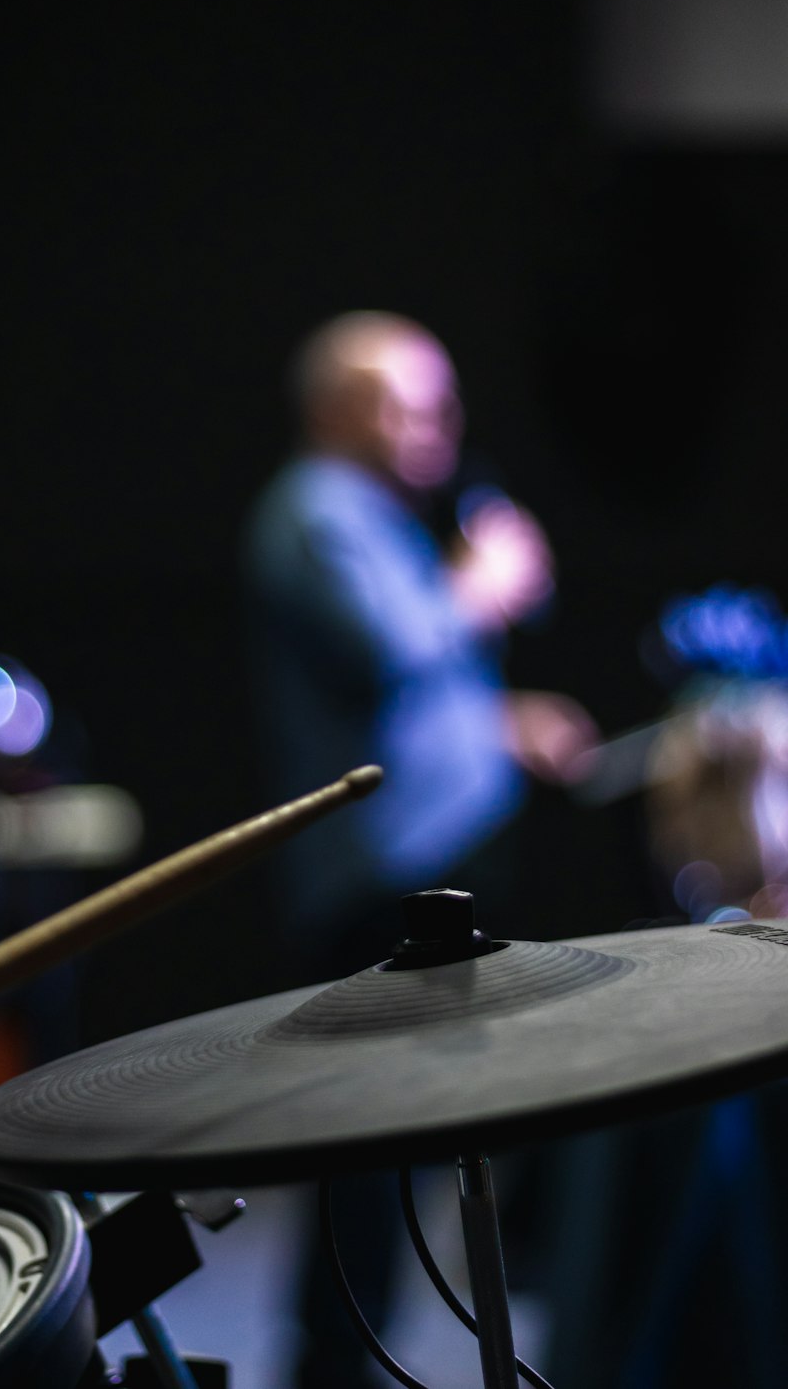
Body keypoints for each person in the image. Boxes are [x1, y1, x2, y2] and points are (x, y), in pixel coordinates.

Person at [242, 309, 595, 1387]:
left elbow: (400, 697)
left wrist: (502, 724)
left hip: (428, 871)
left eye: (442, 400)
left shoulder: (383, 517)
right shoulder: (315, 510)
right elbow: (388, 646)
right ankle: (335, 1369)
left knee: (421, 1141)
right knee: (369, 1154)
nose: (437, 424)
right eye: (407, 401)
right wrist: (484, 583)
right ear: (333, 409)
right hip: (377, 886)